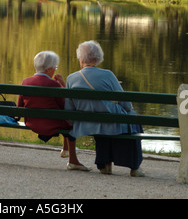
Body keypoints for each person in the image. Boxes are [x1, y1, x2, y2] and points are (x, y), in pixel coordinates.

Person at [65, 41, 145, 177]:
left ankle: (104, 164)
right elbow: (124, 102)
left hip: (86, 123)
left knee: (103, 123)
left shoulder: (71, 78)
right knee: (132, 117)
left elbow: (69, 109)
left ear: (81, 58)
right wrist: (129, 108)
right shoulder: (108, 75)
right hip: (110, 120)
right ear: (98, 58)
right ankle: (134, 167)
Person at [18, 51, 92, 171]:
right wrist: (62, 85)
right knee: (69, 122)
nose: (55, 70)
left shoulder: (25, 82)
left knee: (62, 118)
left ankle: (66, 150)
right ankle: (73, 161)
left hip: (32, 122)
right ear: (48, 69)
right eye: (55, 67)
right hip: (50, 124)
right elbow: (65, 106)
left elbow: (19, 105)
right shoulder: (53, 84)